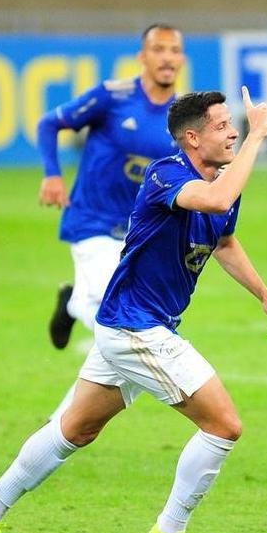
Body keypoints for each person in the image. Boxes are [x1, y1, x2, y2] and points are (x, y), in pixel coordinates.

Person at [0, 87, 267, 533]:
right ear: (192, 137)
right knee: (224, 425)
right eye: (223, 126)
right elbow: (217, 199)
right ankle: (170, 531)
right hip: (137, 328)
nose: (233, 132)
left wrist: (266, 296)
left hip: (135, 325)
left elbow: (223, 237)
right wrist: (258, 139)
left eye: (234, 125)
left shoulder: (223, 180)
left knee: (76, 429)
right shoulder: (166, 175)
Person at [37, 24, 187, 349]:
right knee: (124, 323)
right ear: (142, 57)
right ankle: (78, 305)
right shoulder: (113, 96)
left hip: (139, 231)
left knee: (134, 312)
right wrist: (52, 174)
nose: (167, 58)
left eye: (174, 50)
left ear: (182, 59)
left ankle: (73, 302)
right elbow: (50, 123)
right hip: (93, 220)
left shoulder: (182, 117)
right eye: (158, 49)